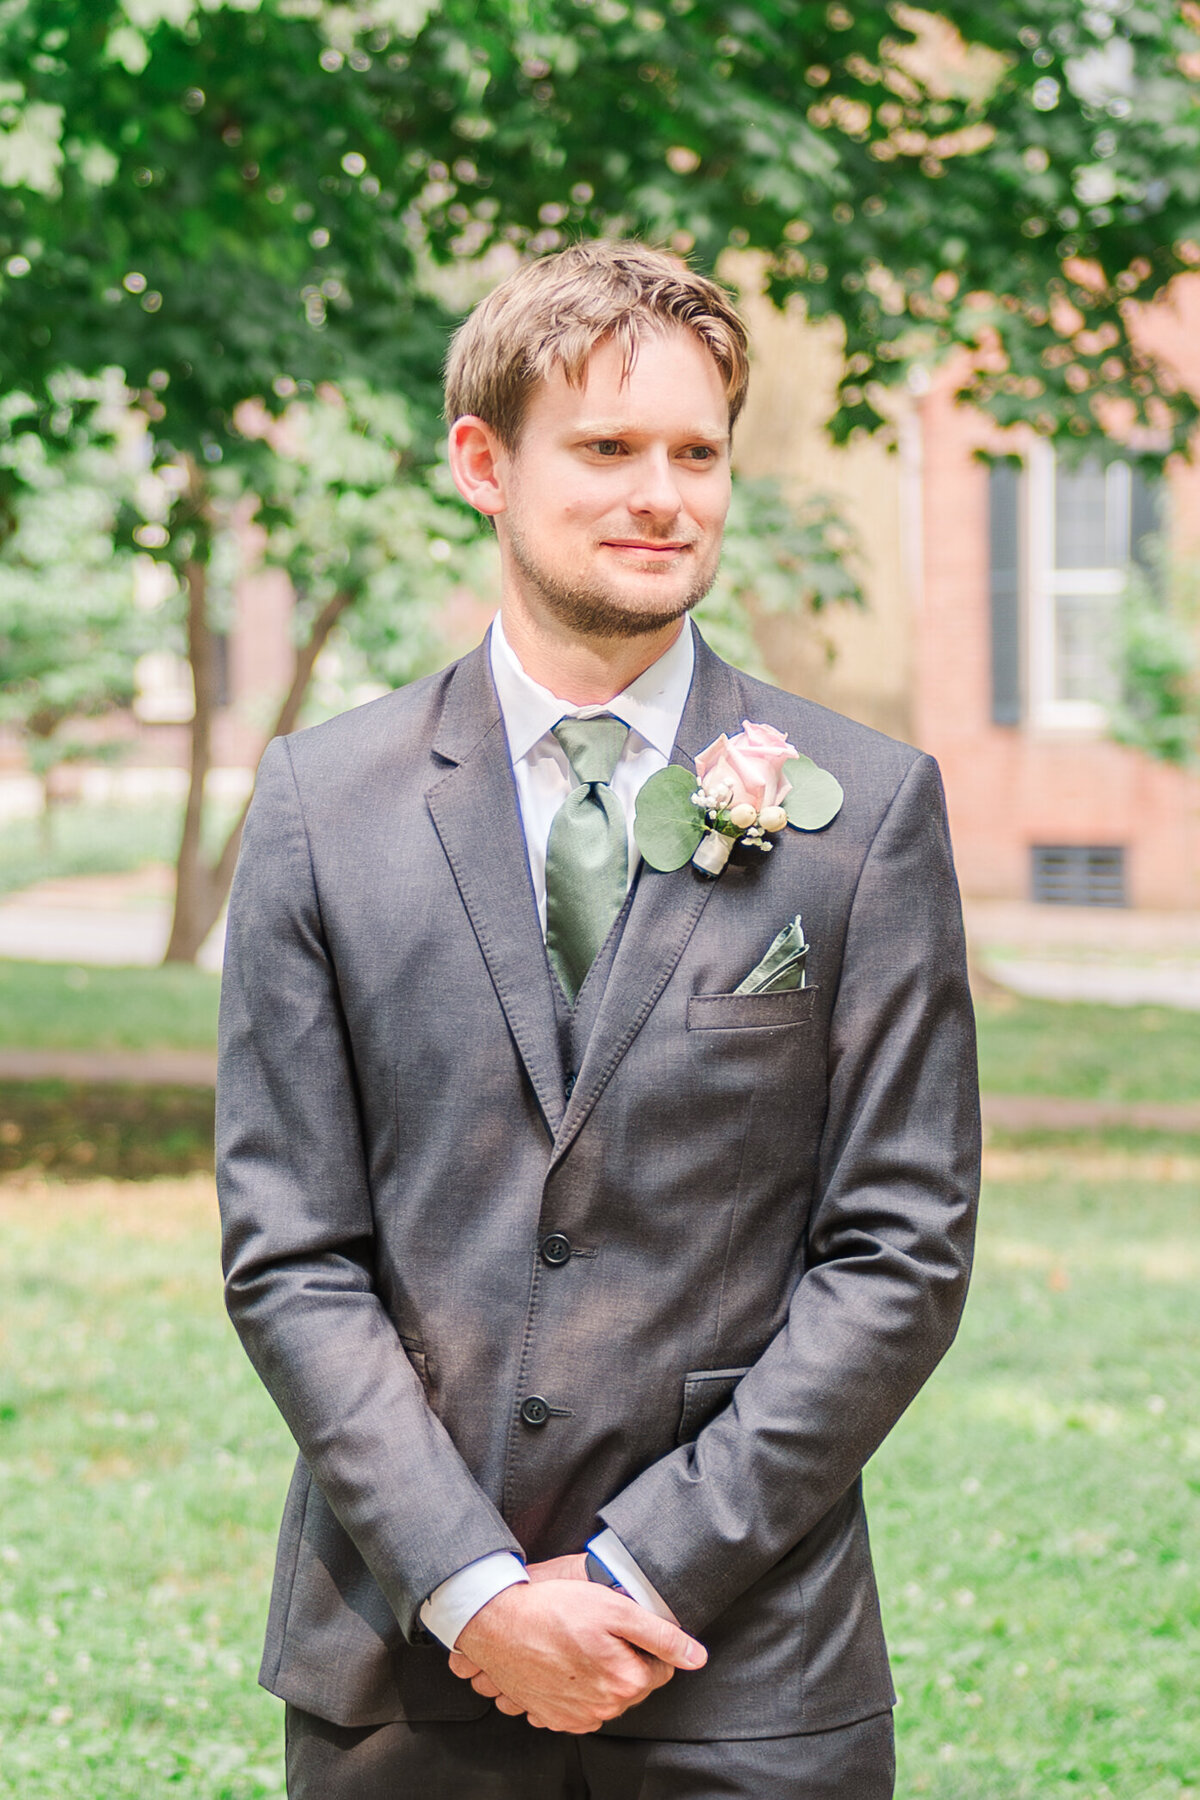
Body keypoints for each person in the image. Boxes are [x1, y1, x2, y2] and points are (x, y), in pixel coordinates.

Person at [216, 238, 980, 1799]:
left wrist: (648, 1570)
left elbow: (900, 1243)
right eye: (610, 448)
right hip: (405, 1656)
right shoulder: (320, 804)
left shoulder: (867, 815)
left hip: (748, 1662)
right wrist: (474, 1586)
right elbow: (290, 1248)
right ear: (483, 463)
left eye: (697, 452)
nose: (665, 495)